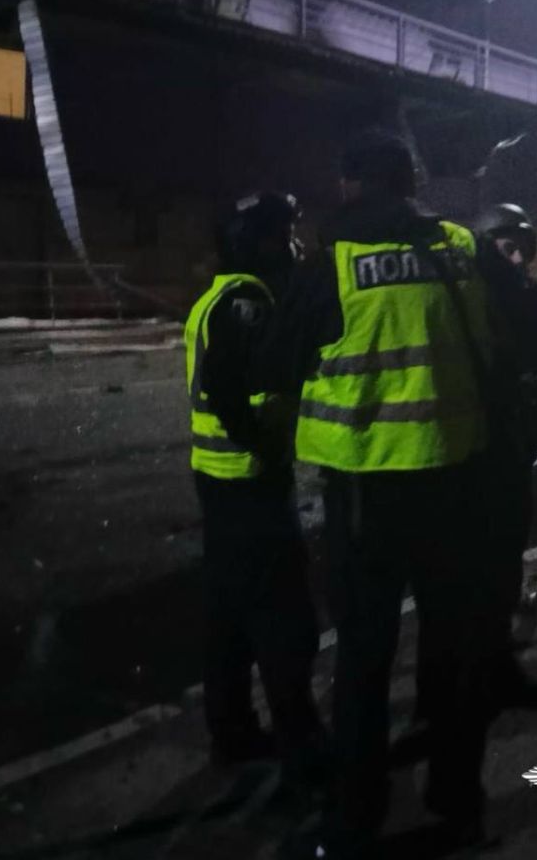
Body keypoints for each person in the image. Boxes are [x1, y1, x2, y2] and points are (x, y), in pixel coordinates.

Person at [255, 131, 495, 859]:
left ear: (351, 185)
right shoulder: (459, 247)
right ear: (411, 182)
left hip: (366, 491)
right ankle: (457, 803)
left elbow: (277, 363)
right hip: (455, 480)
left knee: (363, 660)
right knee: (452, 650)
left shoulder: (332, 264)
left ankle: (354, 822)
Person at [184, 191, 325, 801]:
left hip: (216, 480)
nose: (292, 245)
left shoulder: (215, 296)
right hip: (250, 482)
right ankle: (304, 751)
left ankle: (233, 732)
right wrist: (264, 446)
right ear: (259, 242)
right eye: (283, 235)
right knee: (285, 622)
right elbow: (224, 389)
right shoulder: (248, 301)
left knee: (228, 617)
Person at [471, 203, 537, 712]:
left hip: (514, 448)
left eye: (521, 250)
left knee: (505, 560)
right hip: (478, 453)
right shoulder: (472, 301)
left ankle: (495, 661)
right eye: (505, 249)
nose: (516, 260)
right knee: (479, 568)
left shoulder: (529, 299)